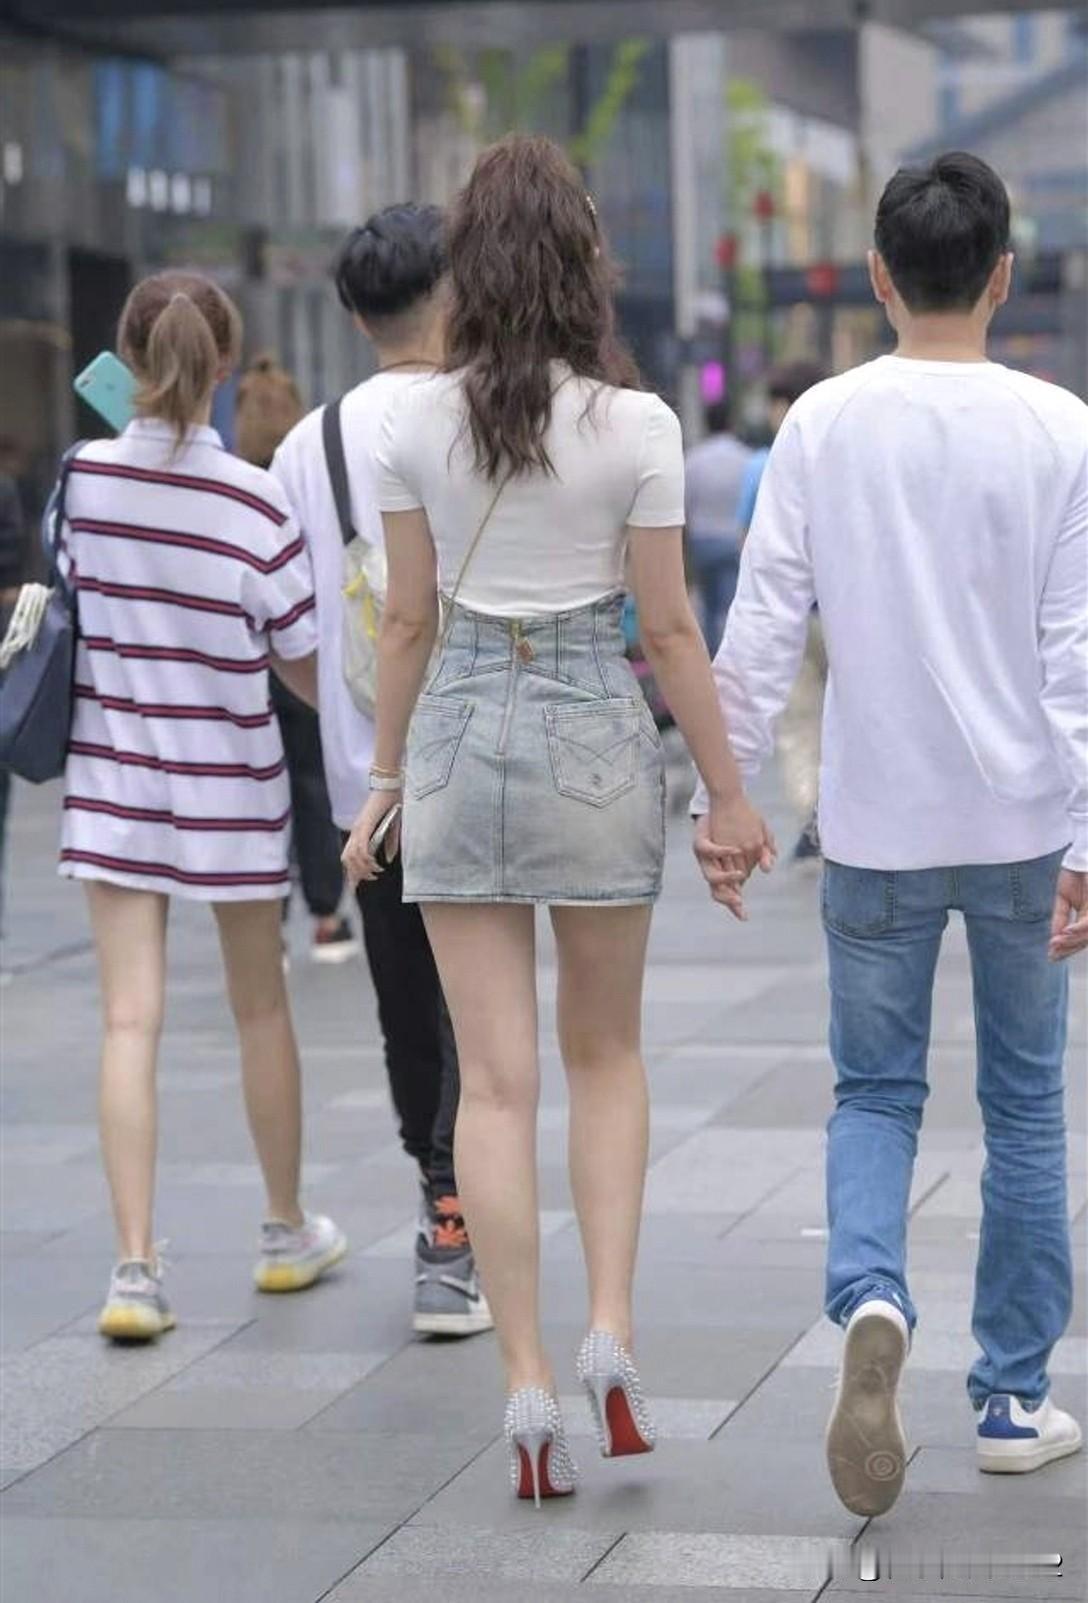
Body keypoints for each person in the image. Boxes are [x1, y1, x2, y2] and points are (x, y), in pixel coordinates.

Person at [342, 135, 771, 1504]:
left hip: (458, 732)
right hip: (594, 725)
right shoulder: (638, 427)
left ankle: (524, 1380)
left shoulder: (411, 424)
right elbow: (669, 628)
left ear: (467, 267)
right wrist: (729, 791)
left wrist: (384, 780)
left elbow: (405, 620)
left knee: (495, 1082)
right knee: (606, 1056)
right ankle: (610, 1333)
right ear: (585, 264)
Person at [694, 151, 1087, 1517]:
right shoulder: (1061, 428)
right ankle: (1013, 1395)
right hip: (1025, 823)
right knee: (1024, 1100)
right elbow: (1076, 652)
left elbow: (762, 621)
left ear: (876, 275)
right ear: (1002, 276)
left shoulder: (822, 423)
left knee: (874, 1091)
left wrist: (725, 795)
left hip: (871, 822)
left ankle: (871, 1295)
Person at [58, 271, 346, 1341]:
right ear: (225, 364)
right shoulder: (254, 500)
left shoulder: (82, 478)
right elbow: (300, 661)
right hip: (231, 786)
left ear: (127, 359)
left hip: (113, 782)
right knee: (259, 1007)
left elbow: (79, 588)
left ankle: (135, 1271)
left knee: (127, 1019)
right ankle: (283, 1229)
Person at [271, 205, 491, 1338]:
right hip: (487, 753)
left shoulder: (305, 446)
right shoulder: (489, 412)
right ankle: (462, 1219)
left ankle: (440, 1198)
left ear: (356, 317)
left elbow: (287, 630)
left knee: (407, 997)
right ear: (454, 292)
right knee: (483, 998)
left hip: (368, 775)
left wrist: (355, 721)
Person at [235, 353, 360, 964]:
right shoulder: (304, 470)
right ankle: (326, 915)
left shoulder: (236, 483)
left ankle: (270, 924)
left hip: (247, 657)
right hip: (306, 644)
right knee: (313, 785)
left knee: (260, 791)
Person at [736, 362, 827, 864]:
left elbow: (750, 544)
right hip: (845, 614)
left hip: (792, 618)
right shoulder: (847, 458)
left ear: (779, 407)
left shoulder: (762, 465)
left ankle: (813, 815)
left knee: (798, 725)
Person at [683, 399, 752, 651]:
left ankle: (711, 656)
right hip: (734, 540)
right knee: (731, 605)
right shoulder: (746, 458)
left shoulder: (694, 459)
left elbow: (684, 503)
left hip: (702, 541)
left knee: (709, 606)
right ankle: (731, 653)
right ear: (731, 423)